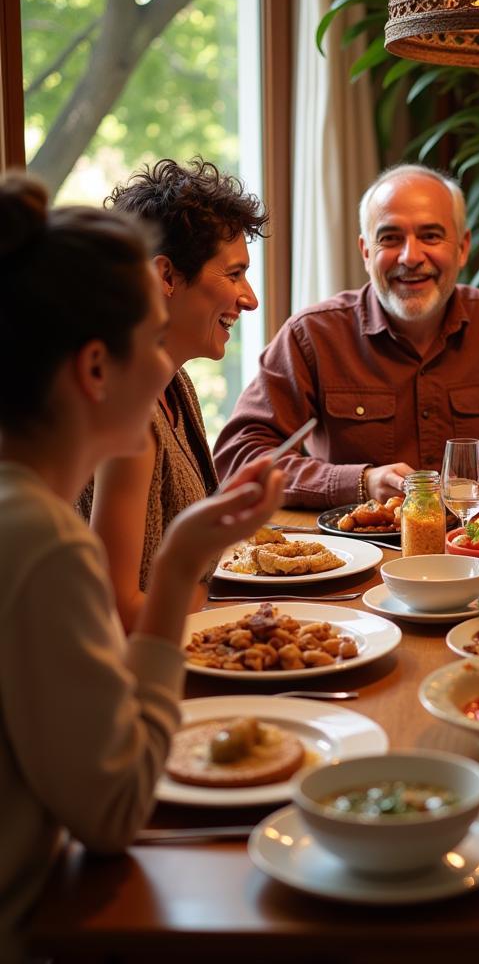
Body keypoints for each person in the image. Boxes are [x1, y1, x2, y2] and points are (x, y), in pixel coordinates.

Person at [0, 175, 283, 958]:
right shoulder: (42, 543)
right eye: (147, 336)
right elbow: (116, 810)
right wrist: (186, 562)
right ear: (96, 369)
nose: (162, 365)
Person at [213, 163, 479, 508]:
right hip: (358, 557)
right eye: (390, 238)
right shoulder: (313, 335)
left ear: (462, 248)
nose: (411, 257)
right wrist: (360, 483)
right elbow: (240, 460)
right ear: (366, 252)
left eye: (430, 235)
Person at [78, 158, 269, 630]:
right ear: (166, 276)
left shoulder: (175, 383)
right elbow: (118, 614)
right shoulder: (131, 410)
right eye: (234, 274)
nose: (250, 298)